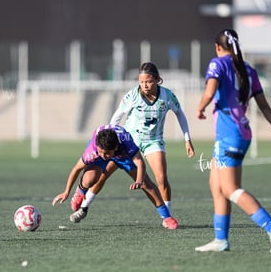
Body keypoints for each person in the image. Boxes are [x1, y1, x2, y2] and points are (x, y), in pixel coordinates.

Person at [195, 29, 271, 253]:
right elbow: (264, 107)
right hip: (240, 134)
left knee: (230, 189)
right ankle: (220, 240)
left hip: (229, 136)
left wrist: (200, 108)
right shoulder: (248, 70)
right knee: (216, 186)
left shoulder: (218, 64)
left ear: (218, 47)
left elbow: (210, 92)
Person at [69, 62, 195, 221]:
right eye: (142, 82)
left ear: (157, 80)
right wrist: (111, 138)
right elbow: (117, 116)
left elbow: (180, 114)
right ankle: (84, 208)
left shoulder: (168, 96)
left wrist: (187, 139)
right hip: (128, 142)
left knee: (161, 178)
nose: (145, 85)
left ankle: (167, 215)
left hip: (153, 141)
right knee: (103, 174)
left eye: (148, 81)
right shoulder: (132, 95)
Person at [52, 124, 179, 229]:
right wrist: (66, 192)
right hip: (106, 150)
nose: (103, 155)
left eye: (107, 153)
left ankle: (166, 217)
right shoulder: (94, 150)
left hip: (122, 156)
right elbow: (76, 168)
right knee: (91, 178)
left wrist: (139, 181)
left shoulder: (126, 142)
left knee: (147, 184)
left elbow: (140, 162)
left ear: (116, 147)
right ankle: (80, 192)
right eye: (101, 151)